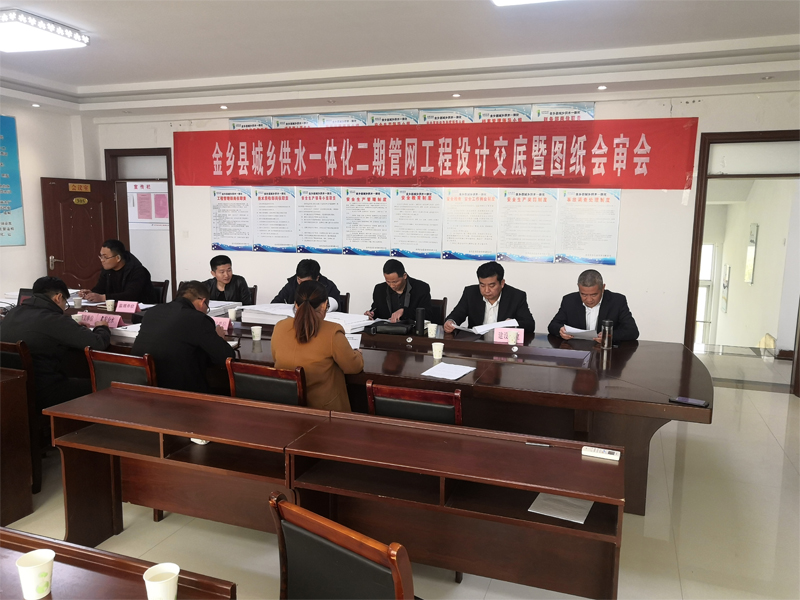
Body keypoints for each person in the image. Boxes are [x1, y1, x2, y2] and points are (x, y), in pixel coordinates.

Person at [0, 276, 111, 409]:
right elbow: (98, 343)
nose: (64, 307)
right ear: (58, 297)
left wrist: (73, 328)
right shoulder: (55, 319)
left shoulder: (13, 313)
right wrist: (102, 327)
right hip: (46, 392)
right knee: (105, 385)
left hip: (14, 390)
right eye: (65, 302)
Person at [271, 280, 363, 411]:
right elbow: (353, 367)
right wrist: (357, 354)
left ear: (296, 304)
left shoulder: (280, 326)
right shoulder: (332, 332)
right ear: (325, 305)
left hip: (287, 407)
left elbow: (275, 358)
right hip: (325, 412)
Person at [132, 280, 235, 393]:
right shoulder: (198, 319)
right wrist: (218, 338)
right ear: (202, 302)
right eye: (207, 307)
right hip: (182, 392)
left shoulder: (152, 311)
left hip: (142, 387)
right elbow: (226, 357)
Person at [444, 261, 536, 336]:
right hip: (476, 343)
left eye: (491, 286)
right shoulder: (470, 293)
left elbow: (529, 324)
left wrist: (512, 325)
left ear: (502, 283)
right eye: (482, 285)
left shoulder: (516, 296)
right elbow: (457, 314)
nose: (486, 290)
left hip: (503, 346)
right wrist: (450, 322)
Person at [547, 269, 639, 342]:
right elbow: (553, 326)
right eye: (583, 294)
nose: (589, 300)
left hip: (606, 353)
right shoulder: (569, 300)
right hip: (577, 351)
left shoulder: (617, 301)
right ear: (578, 287)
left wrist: (609, 336)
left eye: (594, 295)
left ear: (603, 288)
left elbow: (632, 331)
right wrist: (561, 331)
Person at [80, 239, 158, 303]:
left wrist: (103, 298)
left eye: (105, 257)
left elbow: (130, 295)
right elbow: (100, 288)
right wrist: (91, 293)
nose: (102, 260)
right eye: (101, 256)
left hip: (142, 310)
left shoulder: (138, 271)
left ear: (118, 258)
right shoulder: (107, 269)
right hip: (116, 307)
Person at [364, 259, 432, 323]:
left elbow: (427, 315)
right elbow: (376, 310)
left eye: (395, 282)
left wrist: (404, 312)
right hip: (386, 330)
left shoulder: (421, 288)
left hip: (412, 330)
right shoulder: (380, 289)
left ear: (404, 276)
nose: (391, 285)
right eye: (388, 281)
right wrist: (371, 314)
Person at [272, 259, 341, 311]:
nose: (301, 284)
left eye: (305, 282)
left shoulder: (328, 287)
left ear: (317, 278)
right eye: (299, 279)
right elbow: (275, 303)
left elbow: (337, 309)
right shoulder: (292, 283)